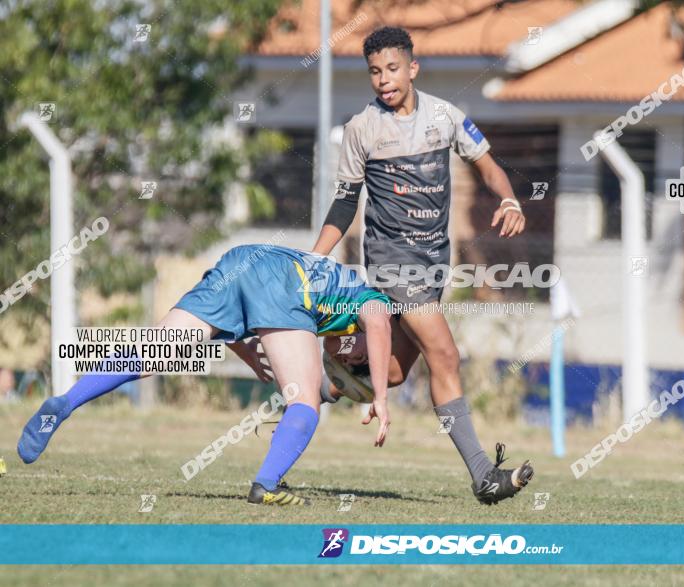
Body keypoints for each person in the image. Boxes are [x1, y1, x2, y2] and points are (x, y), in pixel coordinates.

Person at [310, 26, 532, 506]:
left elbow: (488, 165)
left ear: (413, 68)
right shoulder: (360, 130)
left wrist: (510, 199)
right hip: (392, 265)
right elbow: (344, 202)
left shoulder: (446, 116)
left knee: (388, 374)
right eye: (374, 71)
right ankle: (483, 476)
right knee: (446, 356)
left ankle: (311, 385)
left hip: (433, 266)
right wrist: (313, 258)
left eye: (392, 68)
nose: (384, 79)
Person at [17, 245, 393, 506]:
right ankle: (266, 486)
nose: (354, 357)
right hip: (280, 278)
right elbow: (378, 324)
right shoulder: (370, 298)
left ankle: (65, 403)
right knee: (304, 400)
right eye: (359, 359)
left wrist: (244, 350)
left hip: (240, 261)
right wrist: (381, 395)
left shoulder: (333, 304)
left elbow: (244, 306)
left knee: (150, 356)